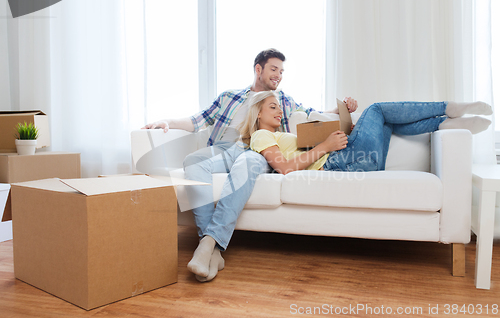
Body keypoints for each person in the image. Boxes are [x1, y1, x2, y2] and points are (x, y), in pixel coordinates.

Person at [143, 49, 351, 282]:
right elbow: (197, 120)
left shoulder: (282, 100)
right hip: (223, 148)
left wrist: (340, 109)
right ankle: (211, 247)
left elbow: (315, 114)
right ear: (258, 69)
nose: (278, 76)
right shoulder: (229, 97)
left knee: (245, 166)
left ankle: (209, 245)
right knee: (192, 161)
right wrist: (167, 121)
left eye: (281, 72)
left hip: (257, 150)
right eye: (274, 69)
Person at [241, 91, 492, 174]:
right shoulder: (261, 135)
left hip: (359, 161)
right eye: (272, 107)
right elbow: (284, 168)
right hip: (340, 161)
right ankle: (448, 109)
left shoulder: (282, 133)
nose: (278, 111)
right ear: (258, 114)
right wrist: (325, 147)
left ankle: (445, 124)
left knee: (387, 121)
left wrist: (345, 125)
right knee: (378, 109)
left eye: (278, 106)